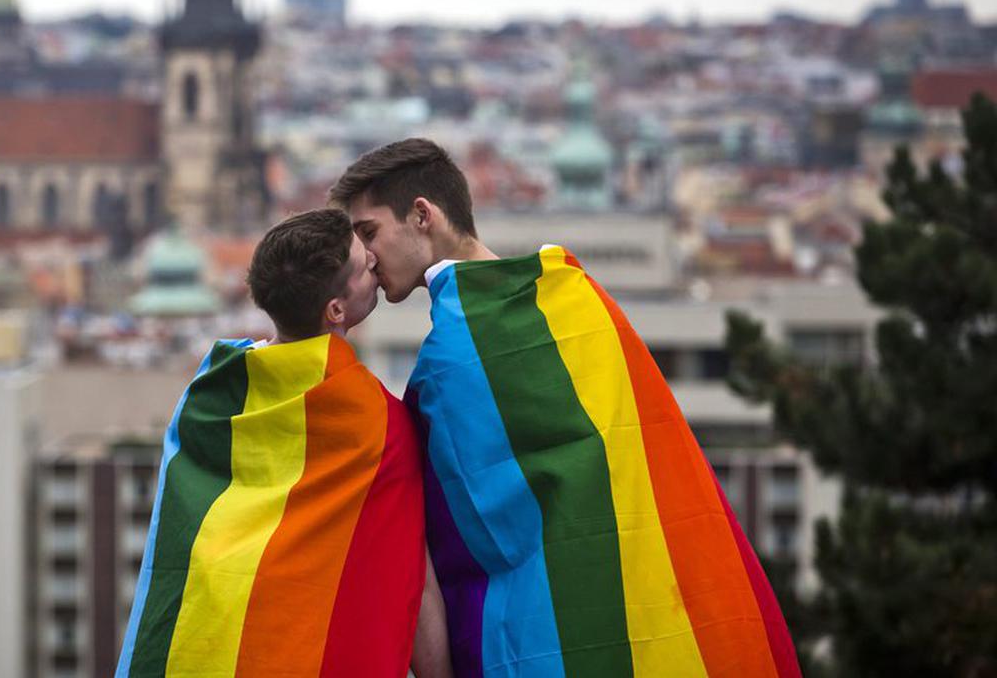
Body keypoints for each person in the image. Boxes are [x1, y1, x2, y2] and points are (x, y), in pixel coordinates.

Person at [331, 139, 802, 678]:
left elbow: (433, 532)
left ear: (422, 215)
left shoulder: (449, 359)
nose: (365, 255)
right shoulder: (577, 298)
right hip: (645, 605)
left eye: (369, 232)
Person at [117, 208, 435, 677]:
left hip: (205, 646)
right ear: (336, 310)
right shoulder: (376, 421)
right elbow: (412, 578)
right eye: (361, 261)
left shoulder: (211, 390)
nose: (373, 258)